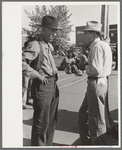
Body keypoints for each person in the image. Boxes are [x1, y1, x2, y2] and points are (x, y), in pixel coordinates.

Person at [22, 15, 61, 146]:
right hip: (42, 87)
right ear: (43, 29)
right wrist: (36, 75)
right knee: (41, 124)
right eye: (52, 30)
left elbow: (49, 66)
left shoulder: (49, 45)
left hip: (52, 85)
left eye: (56, 31)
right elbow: (20, 62)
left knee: (51, 122)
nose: (54, 34)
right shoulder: (35, 45)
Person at [78, 21, 112, 145]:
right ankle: (87, 142)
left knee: (96, 119)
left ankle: (97, 144)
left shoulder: (96, 47)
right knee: (84, 114)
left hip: (95, 83)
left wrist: (85, 66)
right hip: (101, 83)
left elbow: (96, 70)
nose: (84, 36)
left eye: (86, 34)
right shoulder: (104, 45)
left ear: (93, 34)